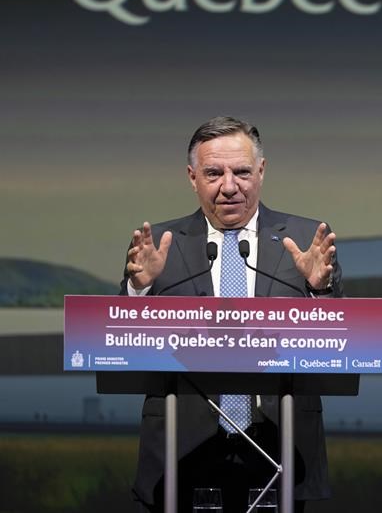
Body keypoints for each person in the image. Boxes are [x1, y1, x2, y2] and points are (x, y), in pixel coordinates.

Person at [120, 116, 342, 512]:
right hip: (181, 447)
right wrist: (140, 289)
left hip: (282, 444)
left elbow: (340, 340)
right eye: (213, 173)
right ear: (192, 177)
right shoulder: (160, 246)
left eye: (241, 172)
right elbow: (119, 338)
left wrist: (319, 290)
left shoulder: (306, 240)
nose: (229, 186)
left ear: (261, 171)